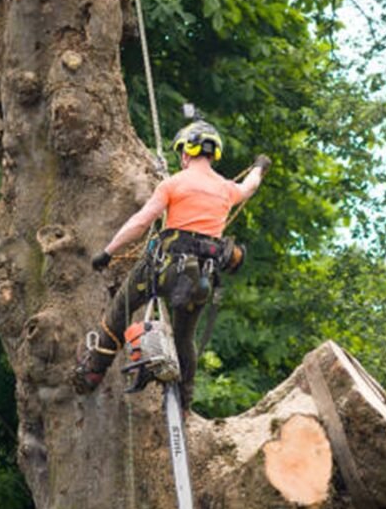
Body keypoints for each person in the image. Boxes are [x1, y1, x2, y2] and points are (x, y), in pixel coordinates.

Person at [74, 119, 270, 407]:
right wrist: (259, 166)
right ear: (212, 153)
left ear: (187, 152)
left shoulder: (174, 183)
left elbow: (141, 223)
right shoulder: (227, 189)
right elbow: (250, 186)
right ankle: (185, 400)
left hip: (161, 270)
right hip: (199, 280)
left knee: (120, 310)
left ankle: (93, 371)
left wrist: (108, 251)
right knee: (184, 338)